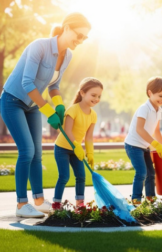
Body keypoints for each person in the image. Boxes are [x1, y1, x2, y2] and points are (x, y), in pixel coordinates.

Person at [0, 13, 91, 217]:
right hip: (12, 101)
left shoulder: (67, 55)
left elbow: (54, 85)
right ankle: (22, 205)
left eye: (85, 38)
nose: (81, 40)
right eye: (79, 35)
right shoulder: (39, 46)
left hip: (32, 105)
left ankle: (39, 201)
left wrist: (58, 105)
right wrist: (48, 110)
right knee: (27, 151)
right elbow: (27, 83)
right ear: (67, 28)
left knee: (37, 154)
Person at [53, 78, 102, 207]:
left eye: (99, 96)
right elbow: (67, 130)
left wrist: (90, 152)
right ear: (82, 93)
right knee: (64, 176)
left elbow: (89, 136)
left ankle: (80, 205)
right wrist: (76, 145)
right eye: (93, 95)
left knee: (81, 176)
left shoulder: (93, 115)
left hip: (76, 150)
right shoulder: (73, 110)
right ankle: (56, 204)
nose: (96, 98)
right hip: (62, 148)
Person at [124, 77, 162, 204]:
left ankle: (151, 198)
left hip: (144, 146)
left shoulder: (159, 110)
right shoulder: (144, 108)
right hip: (133, 146)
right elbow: (140, 129)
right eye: (160, 95)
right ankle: (136, 199)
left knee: (151, 173)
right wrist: (155, 144)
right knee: (141, 172)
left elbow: (156, 130)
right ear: (150, 93)